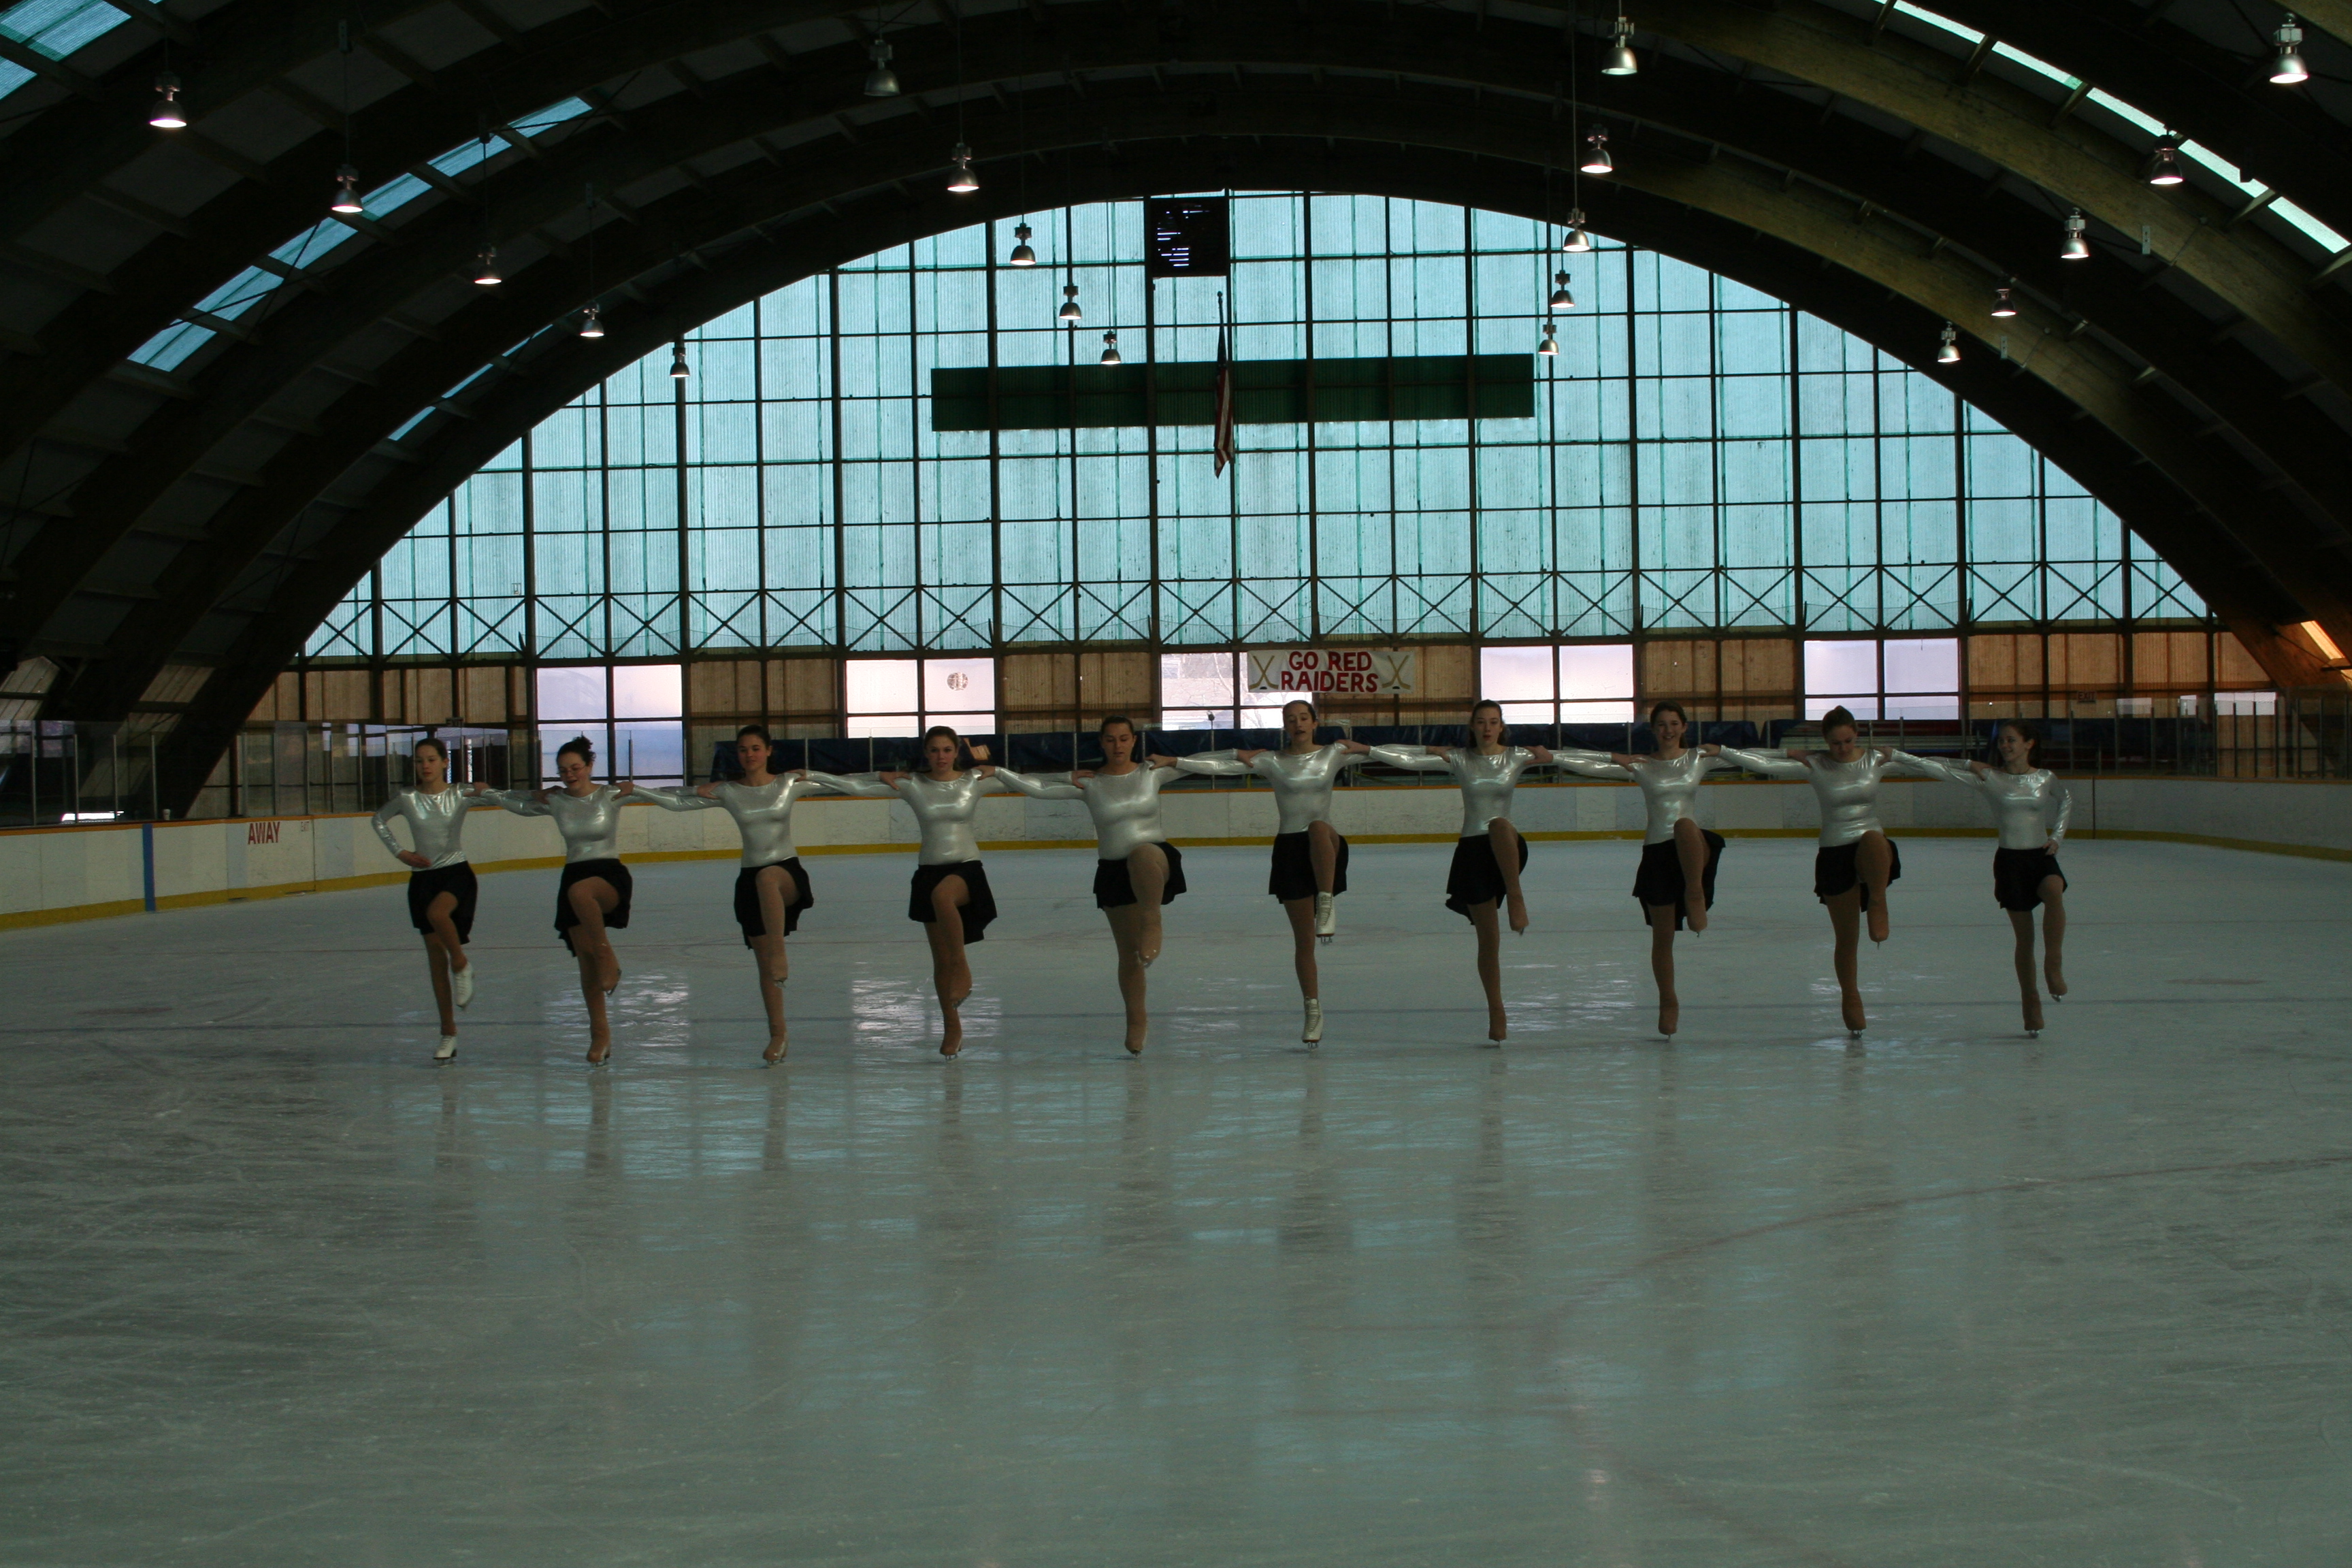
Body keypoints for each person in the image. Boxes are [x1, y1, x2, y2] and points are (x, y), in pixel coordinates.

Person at [633, 725, 855, 1064]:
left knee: (768, 881)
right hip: (749, 879)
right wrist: (637, 790)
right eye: (742, 750)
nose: (749, 755)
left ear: (769, 751)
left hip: (786, 873)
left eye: (755, 748)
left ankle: (780, 954)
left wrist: (812, 772)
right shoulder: (729, 791)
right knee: (764, 965)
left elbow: (846, 783)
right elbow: (678, 802)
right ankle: (778, 1034)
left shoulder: (787, 784)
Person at [1717, 708, 1931, 1035]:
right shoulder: (1816, 763)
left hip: (1871, 848)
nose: (1842, 749)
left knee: (1875, 839)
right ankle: (1851, 995)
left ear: (1857, 734)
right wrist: (1735, 751)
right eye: (1835, 743)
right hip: (1834, 852)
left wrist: (1972, 768)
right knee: (1846, 938)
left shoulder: (1875, 760)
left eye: (1847, 741)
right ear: (1825, 741)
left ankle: (1877, 900)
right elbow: (1759, 762)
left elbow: (1929, 765)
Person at [1171, 700, 1373, 1045]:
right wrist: (1178, 760)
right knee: (1304, 942)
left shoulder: (1333, 754)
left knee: (1318, 828)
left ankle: (1326, 901)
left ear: (1315, 722)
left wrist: (1372, 748)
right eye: (1290, 719)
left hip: (1325, 846)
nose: (1298, 724)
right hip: (1290, 853)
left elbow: (1391, 756)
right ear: (1284, 725)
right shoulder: (1273, 761)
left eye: (1303, 718)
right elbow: (1217, 766)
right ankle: (1313, 1010)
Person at [1371, 700, 1559, 1044]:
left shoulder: (1517, 756)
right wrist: (1371, 748)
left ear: (1502, 726)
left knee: (1501, 824)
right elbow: (1407, 759)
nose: (1487, 728)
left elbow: (1570, 757)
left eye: (1494, 722)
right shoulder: (1460, 758)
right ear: (1472, 726)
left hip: (1506, 848)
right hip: (1472, 853)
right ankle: (1496, 1008)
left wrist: (1551, 756)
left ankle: (1516, 898)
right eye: (1481, 722)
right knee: (1488, 940)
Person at [996, 716, 1183, 1056]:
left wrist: (1178, 760)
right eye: (1110, 740)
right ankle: (1136, 1018)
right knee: (1129, 954)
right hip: (1113, 871)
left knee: (1142, 854)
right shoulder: (1091, 783)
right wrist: (1001, 772)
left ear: (1134, 741)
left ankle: (1152, 919)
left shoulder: (1152, 773)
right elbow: (1035, 788)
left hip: (1155, 860)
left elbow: (1222, 763)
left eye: (1124, 739)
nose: (1118, 745)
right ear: (1101, 743)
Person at [1550, 700, 1737, 1038]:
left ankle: (1694, 892)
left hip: (1692, 848)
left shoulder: (1698, 759)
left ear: (1684, 727)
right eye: (1662, 724)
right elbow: (1588, 766)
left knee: (1684, 825)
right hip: (1657, 854)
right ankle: (1668, 1000)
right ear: (1654, 730)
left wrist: (1725, 748)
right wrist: (1600, 757)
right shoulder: (1643, 765)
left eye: (1674, 723)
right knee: (1662, 938)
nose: (1668, 730)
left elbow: (1757, 759)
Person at [823, 727, 1010, 1058]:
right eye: (935, 750)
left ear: (957, 752)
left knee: (944, 898)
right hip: (929, 871)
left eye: (947, 750)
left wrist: (1067, 776)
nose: (941, 756)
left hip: (966, 869)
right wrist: (865, 773)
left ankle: (963, 967)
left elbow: (1037, 786)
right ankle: (952, 1026)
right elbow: (850, 785)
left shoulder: (974, 781)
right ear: (927, 753)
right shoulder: (913, 785)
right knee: (939, 962)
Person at [1901, 718, 2072, 1036]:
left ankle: (2054, 963)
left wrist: (2058, 836)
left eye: (2011, 740)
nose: (2005, 746)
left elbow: (2066, 799)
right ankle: (2030, 1000)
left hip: (2041, 856)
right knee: (2024, 939)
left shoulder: (2046, 778)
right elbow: (1932, 767)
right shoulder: (1989, 778)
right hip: (2011, 861)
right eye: (2002, 742)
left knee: (2055, 891)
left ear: (2028, 744)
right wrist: (1967, 762)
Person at [487, 736, 638, 1065]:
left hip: (608, 875)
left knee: (581, 894)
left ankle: (606, 954)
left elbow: (667, 797)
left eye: (576, 768)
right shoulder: (556, 800)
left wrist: (638, 786)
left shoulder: (610, 794)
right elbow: (517, 804)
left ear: (589, 766)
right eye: (563, 771)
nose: (570, 775)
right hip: (573, 871)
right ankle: (600, 1035)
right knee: (584, 960)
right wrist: (490, 792)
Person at [370, 736, 502, 1062]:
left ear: (445, 762)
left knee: (438, 915)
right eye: (419, 761)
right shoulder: (407, 797)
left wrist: (540, 797)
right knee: (433, 957)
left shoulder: (459, 794)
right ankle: (448, 1032)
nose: (425, 766)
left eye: (431, 759)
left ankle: (462, 964)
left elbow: (507, 799)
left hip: (456, 874)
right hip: (422, 878)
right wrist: (401, 853)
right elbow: (378, 820)